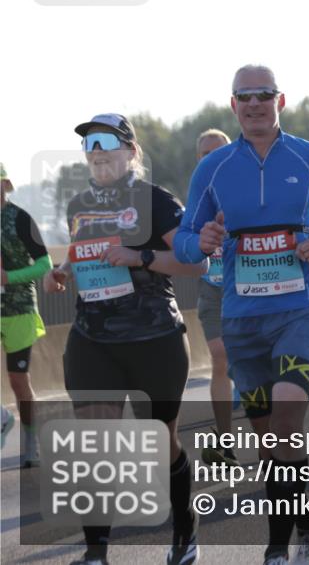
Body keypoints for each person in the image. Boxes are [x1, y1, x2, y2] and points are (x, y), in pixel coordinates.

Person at [174, 65, 309, 565]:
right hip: (242, 319)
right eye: (244, 97)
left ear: (281, 100)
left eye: (263, 95)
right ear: (233, 105)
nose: (254, 104)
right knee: (269, 437)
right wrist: (202, 243)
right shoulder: (212, 168)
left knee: (286, 418)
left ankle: (277, 547)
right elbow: (187, 240)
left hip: (301, 309)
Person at [43, 114, 208, 565]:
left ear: (130, 150)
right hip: (92, 340)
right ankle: (96, 552)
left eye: (106, 141)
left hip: (154, 339)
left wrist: (140, 256)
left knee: (161, 441)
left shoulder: (155, 201)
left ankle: (184, 531)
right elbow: (85, 253)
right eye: (88, 144)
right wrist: (61, 272)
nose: (95, 151)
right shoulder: (79, 205)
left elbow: (196, 265)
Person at [190, 130, 240, 467]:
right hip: (212, 290)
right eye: (204, 153)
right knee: (219, 357)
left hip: (248, 289)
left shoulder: (248, 190)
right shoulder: (195, 199)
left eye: (217, 151)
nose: (210, 158)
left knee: (251, 365)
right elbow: (182, 242)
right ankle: (225, 441)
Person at [1, 162, 52, 468]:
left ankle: (31, 439)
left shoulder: (20, 218)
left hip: (19, 309)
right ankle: (4, 419)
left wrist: (10, 278)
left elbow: (44, 264)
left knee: (18, 380)